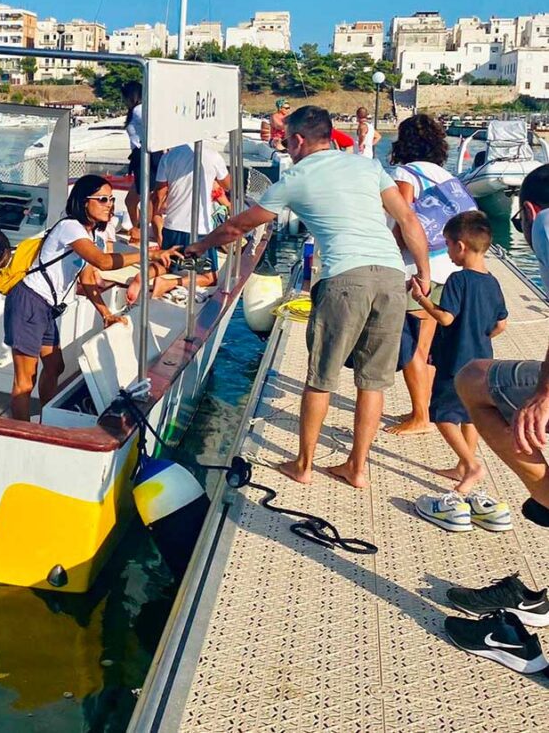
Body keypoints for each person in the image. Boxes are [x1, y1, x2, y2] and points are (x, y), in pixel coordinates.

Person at [184, 105, 431, 488]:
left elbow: (237, 226)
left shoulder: (297, 177)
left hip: (345, 279)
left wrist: (201, 246)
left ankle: (303, 465)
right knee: (373, 381)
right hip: (391, 276)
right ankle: (357, 468)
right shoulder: (367, 166)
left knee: (322, 376)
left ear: (298, 140)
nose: (285, 146)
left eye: (285, 141)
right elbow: (409, 220)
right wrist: (424, 274)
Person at [4, 174, 177, 421]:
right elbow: (103, 262)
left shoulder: (91, 237)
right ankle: (21, 433)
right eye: (103, 199)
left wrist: (105, 314)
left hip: (45, 307)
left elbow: (87, 279)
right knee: (25, 379)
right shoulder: (69, 227)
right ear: (85, 202)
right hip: (29, 302)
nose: (110, 205)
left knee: (55, 367)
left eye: (111, 200)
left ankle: (46, 419)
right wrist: (150, 255)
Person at [455, 163, 549, 527]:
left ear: (526, 212)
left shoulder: (543, 222)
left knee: (472, 379)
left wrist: (543, 393)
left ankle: (546, 494)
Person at [409, 213, 508, 523]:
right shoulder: (492, 282)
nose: (448, 252)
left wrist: (422, 300)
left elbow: (446, 318)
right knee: (471, 415)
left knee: (441, 414)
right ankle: (463, 466)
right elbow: (501, 324)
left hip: (455, 360)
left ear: (461, 246)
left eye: (449, 245)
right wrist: (480, 334)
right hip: (482, 358)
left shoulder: (458, 279)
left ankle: (471, 464)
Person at [384, 114, 464, 436]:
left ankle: (420, 417)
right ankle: (425, 408)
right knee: (428, 344)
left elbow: (405, 221)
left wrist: (390, 251)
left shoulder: (406, 173)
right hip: (449, 265)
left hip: (418, 267)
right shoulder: (445, 175)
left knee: (412, 346)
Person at [152, 143, 232, 287]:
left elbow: (159, 193)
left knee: (166, 264)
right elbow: (228, 185)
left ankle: (140, 278)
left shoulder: (168, 156)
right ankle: (167, 284)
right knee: (210, 277)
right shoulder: (212, 155)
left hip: (172, 225)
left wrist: (157, 215)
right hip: (199, 229)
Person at [121, 82, 162, 243]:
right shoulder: (138, 110)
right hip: (142, 157)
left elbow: (154, 128)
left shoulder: (139, 111)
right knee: (132, 200)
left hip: (146, 156)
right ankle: (140, 230)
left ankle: (142, 232)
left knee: (147, 199)